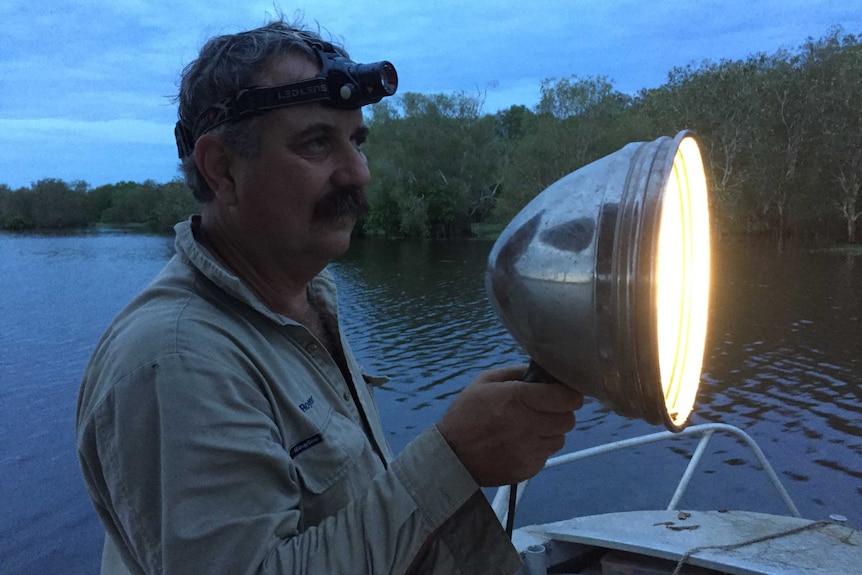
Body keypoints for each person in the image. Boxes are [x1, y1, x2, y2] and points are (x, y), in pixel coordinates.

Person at [76, 18, 584, 575]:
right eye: (317, 143)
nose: (358, 172)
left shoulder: (303, 296)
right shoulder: (174, 360)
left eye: (357, 141)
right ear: (222, 169)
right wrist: (454, 458)